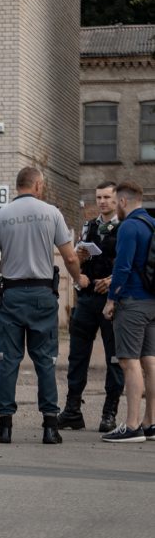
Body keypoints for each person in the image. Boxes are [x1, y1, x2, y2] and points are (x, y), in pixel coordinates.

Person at [0, 166, 88, 445]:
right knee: (45, 361)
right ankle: (50, 427)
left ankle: (4, 427)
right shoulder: (52, 213)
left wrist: (11, 266)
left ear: (17, 186)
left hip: (11, 296)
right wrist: (79, 280)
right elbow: (69, 257)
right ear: (38, 185)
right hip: (42, 295)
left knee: (8, 361)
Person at [58, 181, 125, 433]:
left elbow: (132, 263)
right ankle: (73, 410)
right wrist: (79, 260)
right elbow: (76, 260)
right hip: (86, 298)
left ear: (117, 200)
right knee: (77, 356)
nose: (102, 201)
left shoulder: (125, 228)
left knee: (115, 358)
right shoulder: (89, 226)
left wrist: (113, 281)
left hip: (112, 300)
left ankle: (109, 413)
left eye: (107, 197)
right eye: (99, 197)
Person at [101, 181, 155, 443]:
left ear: (122, 202)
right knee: (150, 362)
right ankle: (151, 422)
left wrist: (111, 300)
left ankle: (132, 425)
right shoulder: (151, 223)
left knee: (128, 362)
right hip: (152, 301)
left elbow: (122, 266)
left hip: (132, 301)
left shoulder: (129, 227)